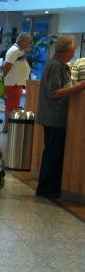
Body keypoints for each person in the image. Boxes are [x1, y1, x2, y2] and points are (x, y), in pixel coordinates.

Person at [35, 35, 84, 200]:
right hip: (54, 116)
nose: (74, 51)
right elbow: (54, 92)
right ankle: (46, 189)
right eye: (74, 48)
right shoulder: (56, 66)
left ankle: (51, 188)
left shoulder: (59, 64)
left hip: (55, 116)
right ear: (69, 50)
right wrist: (78, 88)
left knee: (53, 153)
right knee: (52, 154)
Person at [1, 32, 32, 132]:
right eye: (26, 41)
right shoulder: (14, 51)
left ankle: (9, 126)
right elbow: (7, 65)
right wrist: (4, 76)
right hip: (13, 83)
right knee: (12, 107)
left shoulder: (18, 50)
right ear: (20, 40)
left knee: (13, 106)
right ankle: (8, 127)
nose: (27, 44)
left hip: (16, 83)